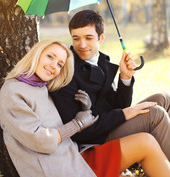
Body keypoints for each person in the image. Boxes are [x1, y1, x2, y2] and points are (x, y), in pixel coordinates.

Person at [0, 39, 170, 177]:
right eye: (50, 57)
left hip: (77, 158)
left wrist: (87, 109)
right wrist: (77, 124)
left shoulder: (41, 86)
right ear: (36, 54)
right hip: (59, 175)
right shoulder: (12, 91)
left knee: (146, 158)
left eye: (60, 64)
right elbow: (39, 139)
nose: (54, 66)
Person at [50, 10, 170, 161]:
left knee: (164, 98)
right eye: (76, 38)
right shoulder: (66, 71)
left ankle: (161, 162)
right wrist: (124, 114)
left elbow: (119, 105)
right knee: (155, 114)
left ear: (101, 37)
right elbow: (81, 132)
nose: (82, 45)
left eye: (89, 37)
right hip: (96, 138)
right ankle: (166, 172)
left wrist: (125, 77)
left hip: (112, 125)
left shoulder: (101, 61)